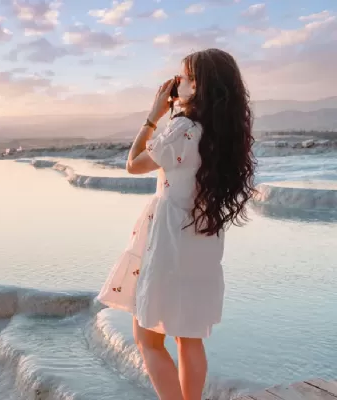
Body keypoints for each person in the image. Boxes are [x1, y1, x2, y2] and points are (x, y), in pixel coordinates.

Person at [96, 48, 257, 400]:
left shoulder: (183, 128)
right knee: (189, 336)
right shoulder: (224, 134)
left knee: (147, 339)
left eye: (183, 77)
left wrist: (153, 115)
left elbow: (134, 164)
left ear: (198, 84)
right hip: (203, 238)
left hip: (171, 239)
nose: (177, 82)